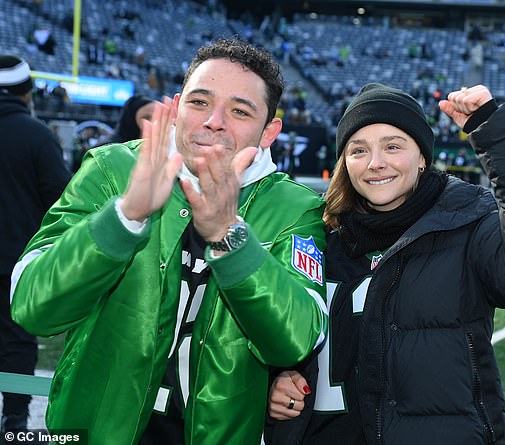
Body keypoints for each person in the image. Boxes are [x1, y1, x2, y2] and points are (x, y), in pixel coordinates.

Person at [10, 39, 328, 445]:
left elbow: (296, 342)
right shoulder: (113, 169)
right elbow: (32, 307)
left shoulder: (292, 207)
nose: (214, 121)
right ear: (177, 107)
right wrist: (124, 216)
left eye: (239, 111)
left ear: (269, 132)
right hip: (93, 431)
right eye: (199, 102)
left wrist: (230, 238)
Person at [266, 83, 505, 444]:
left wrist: (495, 129)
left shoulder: (465, 225)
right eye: (359, 150)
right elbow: (278, 332)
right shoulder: (316, 236)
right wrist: (277, 381)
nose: (375, 163)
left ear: (422, 156)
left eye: (392, 146)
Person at [0, 55, 71, 434]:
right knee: (16, 340)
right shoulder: (37, 135)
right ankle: (14, 419)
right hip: (15, 260)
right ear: (27, 94)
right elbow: (62, 200)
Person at [73, 95, 156, 171]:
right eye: (147, 117)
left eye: (156, 117)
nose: (153, 123)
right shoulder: (104, 151)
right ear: (130, 119)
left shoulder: (157, 150)